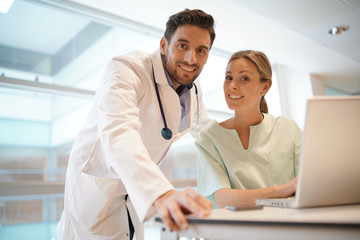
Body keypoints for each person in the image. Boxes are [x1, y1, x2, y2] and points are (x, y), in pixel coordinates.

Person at [58, 9, 215, 240]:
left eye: (201, 50)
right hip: (98, 191)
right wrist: (161, 194)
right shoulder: (126, 69)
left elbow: (205, 129)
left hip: (134, 195)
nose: (192, 59)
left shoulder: (193, 86)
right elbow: (119, 132)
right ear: (164, 45)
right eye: (182, 45)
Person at [195, 50, 302, 209]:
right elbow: (224, 199)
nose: (232, 86)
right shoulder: (209, 137)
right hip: (235, 231)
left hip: (286, 226)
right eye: (229, 78)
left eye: (244, 79)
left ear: (264, 87)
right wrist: (283, 189)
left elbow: (306, 184)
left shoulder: (288, 129)